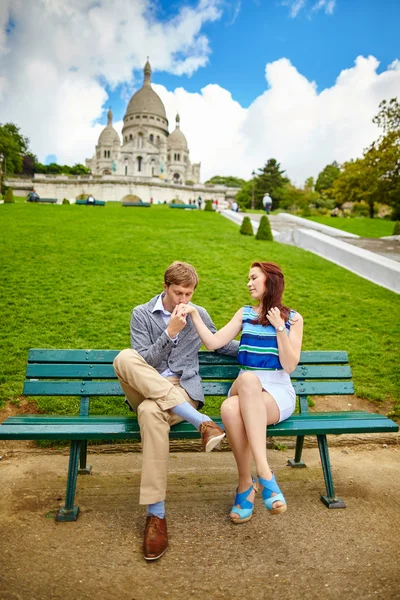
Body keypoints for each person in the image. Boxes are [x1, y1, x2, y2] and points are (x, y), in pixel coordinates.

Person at [113, 262, 238, 561]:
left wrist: (262, 341)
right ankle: (203, 423)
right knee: (125, 358)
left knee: (148, 412)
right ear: (165, 287)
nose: (183, 300)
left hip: (182, 390)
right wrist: (169, 333)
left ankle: (156, 516)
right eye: (178, 292)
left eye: (188, 293)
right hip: (146, 384)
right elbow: (142, 362)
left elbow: (219, 345)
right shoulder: (141, 314)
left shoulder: (198, 313)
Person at [181, 261, 303, 524]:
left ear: (270, 280)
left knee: (228, 409)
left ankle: (245, 485)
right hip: (246, 383)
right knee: (248, 379)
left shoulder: (293, 318)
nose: (248, 283)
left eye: (253, 278)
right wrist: (194, 315)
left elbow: (290, 364)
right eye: (248, 278)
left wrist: (280, 327)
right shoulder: (244, 313)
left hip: (277, 391)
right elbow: (213, 342)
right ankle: (266, 474)